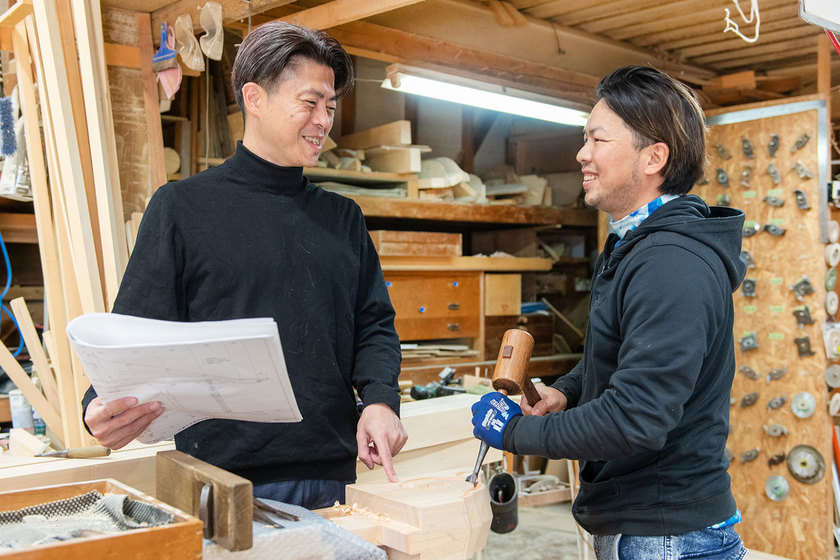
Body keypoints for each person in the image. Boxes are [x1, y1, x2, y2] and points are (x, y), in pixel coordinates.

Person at [82, 21, 407, 509]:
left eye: (331, 107)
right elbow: (134, 333)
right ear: (254, 99)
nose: (324, 120)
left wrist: (380, 399)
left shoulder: (343, 219)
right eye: (310, 102)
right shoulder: (182, 208)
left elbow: (374, 324)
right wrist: (99, 406)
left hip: (328, 474)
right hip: (219, 482)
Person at [471, 66, 748, 559]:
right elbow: (617, 356)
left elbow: (636, 418)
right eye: (585, 138)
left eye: (598, 139)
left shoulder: (670, 263)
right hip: (647, 525)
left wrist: (516, 432)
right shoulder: (633, 246)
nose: (582, 153)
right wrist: (567, 393)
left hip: (665, 533)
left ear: (653, 157)